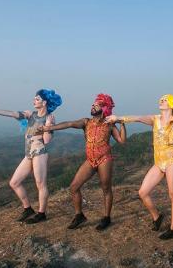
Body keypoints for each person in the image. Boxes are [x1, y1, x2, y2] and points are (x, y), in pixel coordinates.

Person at [38, 94, 126, 231]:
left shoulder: (110, 124)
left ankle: (106, 217)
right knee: (73, 187)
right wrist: (48, 128)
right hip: (90, 160)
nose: (93, 105)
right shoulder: (86, 122)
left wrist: (122, 123)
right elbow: (69, 124)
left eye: (97, 104)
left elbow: (121, 141)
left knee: (106, 189)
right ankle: (79, 215)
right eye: (93, 104)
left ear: (104, 108)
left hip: (105, 159)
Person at [0, 89, 62, 224]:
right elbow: (11, 113)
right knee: (14, 182)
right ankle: (28, 209)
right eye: (34, 98)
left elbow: (47, 140)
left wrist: (49, 126)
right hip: (28, 154)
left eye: (37, 99)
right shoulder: (30, 114)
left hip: (40, 153)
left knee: (41, 184)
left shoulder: (49, 118)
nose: (34, 100)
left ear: (44, 102)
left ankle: (42, 213)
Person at [105, 94, 173, 240]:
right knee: (143, 192)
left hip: (172, 161)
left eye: (166, 99)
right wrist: (118, 118)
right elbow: (137, 118)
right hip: (158, 162)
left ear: (172, 104)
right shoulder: (155, 119)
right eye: (161, 98)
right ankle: (157, 216)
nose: (162, 100)